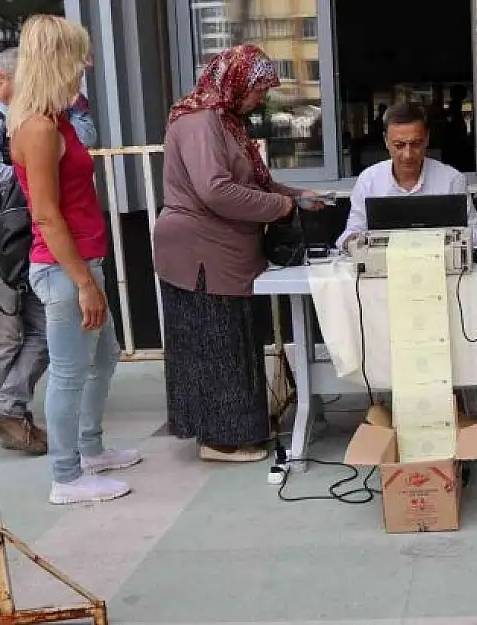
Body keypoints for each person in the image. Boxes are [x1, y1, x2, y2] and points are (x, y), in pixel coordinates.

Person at [153, 44, 324, 463]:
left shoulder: (225, 123)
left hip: (223, 252)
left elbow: (253, 183)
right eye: (256, 90)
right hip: (200, 255)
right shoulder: (199, 123)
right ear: (234, 82)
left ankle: (236, 430)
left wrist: (296, 194)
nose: (260, 100)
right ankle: (220, 439)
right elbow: (216, 190)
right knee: (216, 345)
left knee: (231, 342)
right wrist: (283, 207)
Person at [9, 15, 140, 504]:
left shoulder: (55, 120)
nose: (85, 66)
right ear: (56, 61)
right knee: (69, 370)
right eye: (78, 57)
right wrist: (84, 282)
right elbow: (45, 214)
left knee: (101, 359)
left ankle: (89, 451)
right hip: (65, 268)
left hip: (80, 262)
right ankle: (66, 477)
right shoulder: (39, 128)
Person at [0, 48, 99, 457]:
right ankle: (13, 422)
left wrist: (77, 105)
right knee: (3, 329)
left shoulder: (38, 121)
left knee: (41, 327)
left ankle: (7, 408)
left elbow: (85, 143)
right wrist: (37, 174)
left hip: (23, 234)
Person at [335, 101, 477, 249]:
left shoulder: (452, 179)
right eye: (399, 145)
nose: (407, 155)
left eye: (416, 144)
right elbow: (352, 232)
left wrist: (456, 239)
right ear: (386, 141)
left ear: (427, 139)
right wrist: (352, 242)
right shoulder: (368, 180)